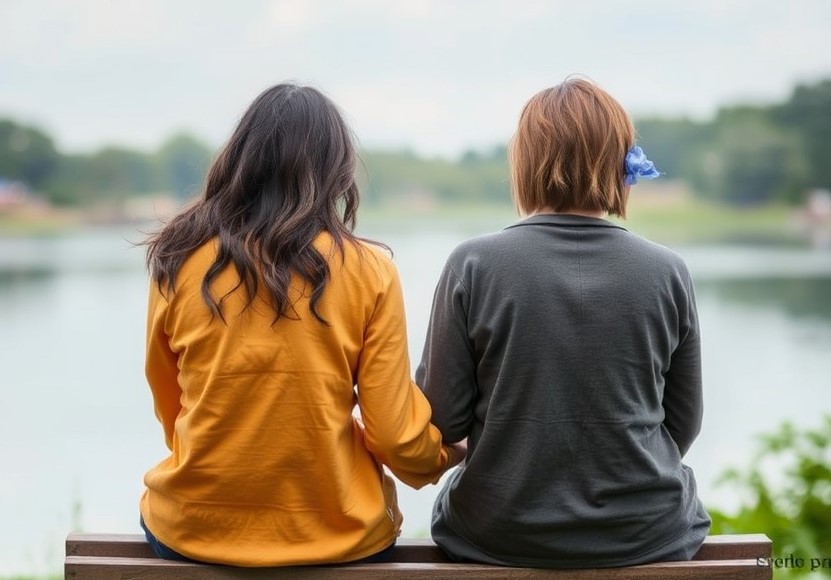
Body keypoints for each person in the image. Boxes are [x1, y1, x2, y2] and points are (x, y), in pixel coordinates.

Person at [139, 82, 466, 567]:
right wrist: (441, 453)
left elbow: (171, 402)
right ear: (335, 170)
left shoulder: (178, 259)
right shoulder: (370, 271)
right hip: (338, 535)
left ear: (240, 160)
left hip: (191, 528)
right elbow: (395, 434)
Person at [415, 77, 711, 568]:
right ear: (620, 164)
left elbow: (442, 418)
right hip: (644, 532)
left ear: (525, 163)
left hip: (496, 532)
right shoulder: (667, 271)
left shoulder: (473, 264)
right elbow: (683, 423)